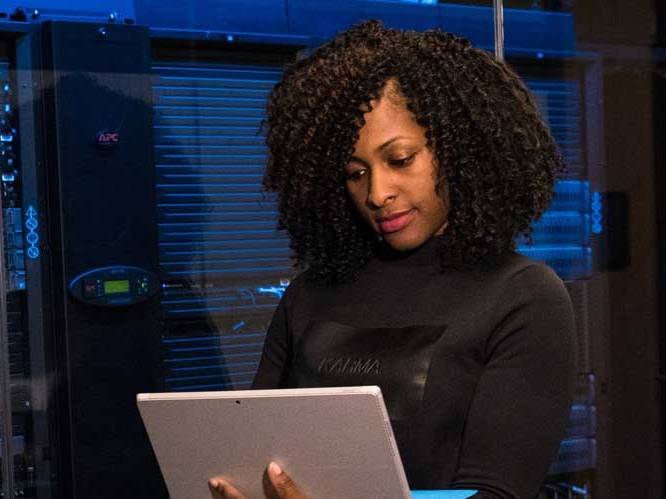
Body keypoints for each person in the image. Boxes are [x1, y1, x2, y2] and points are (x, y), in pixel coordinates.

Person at [209, 20, 576, 499]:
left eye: (400, 159)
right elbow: (259, 459)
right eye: (355, 173)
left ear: (459, 146)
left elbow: (496, 493)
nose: (378, 193)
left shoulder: (522, 296)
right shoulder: (310, 296)